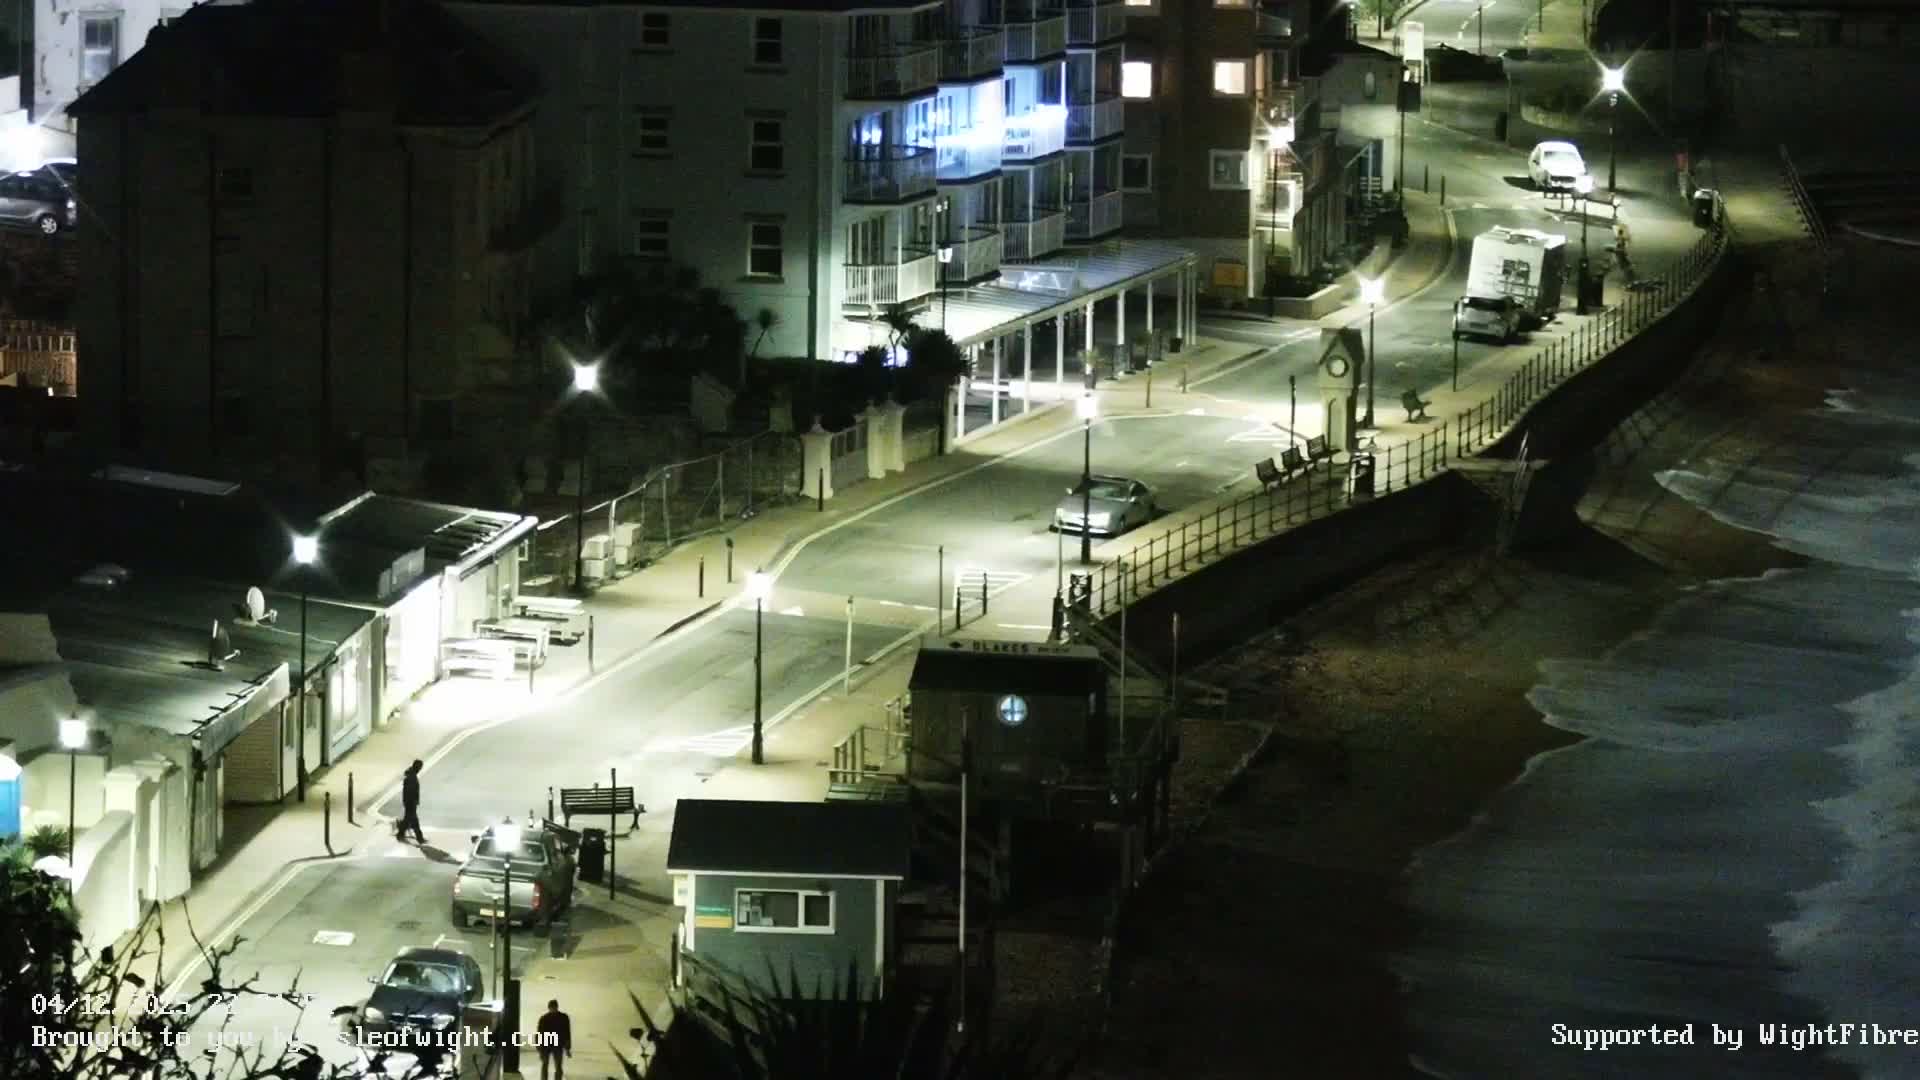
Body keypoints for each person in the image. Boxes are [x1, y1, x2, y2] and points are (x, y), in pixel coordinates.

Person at [536, 999, 572, 1080]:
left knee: (556, 1066)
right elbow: (539, 1032)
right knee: (548, 1065)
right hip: (549, 1044)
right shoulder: (562, 1017)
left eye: (554, 1007)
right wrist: (539, 1046)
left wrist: (568, 1048)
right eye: (552, 1008)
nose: (553, 1009)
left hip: (554, 1044)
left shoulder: (546, 1018)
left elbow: (567, 1032)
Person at [395, 760, 426, 843]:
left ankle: (418, 837)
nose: (420, 769)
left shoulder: (411, 775)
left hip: (410, 802)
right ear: (417, 767)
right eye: (420, 767)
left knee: (412, 820)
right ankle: (403, 835)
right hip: (411, 802)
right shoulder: (412, 777)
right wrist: (412, 802)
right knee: (410, 819)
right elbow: (410, 791)